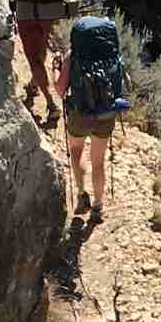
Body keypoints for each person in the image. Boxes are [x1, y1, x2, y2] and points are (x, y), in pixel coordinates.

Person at [56, 12, 129, 221]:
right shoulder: (113, 56)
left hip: (80, 113)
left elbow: (61, 91)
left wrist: (55, 70)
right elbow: (124, 84)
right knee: (99, 162)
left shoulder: (72, 56)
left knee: (76, 151)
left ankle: (82, 195)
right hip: (106, 113)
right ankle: (98, 206)